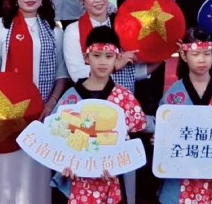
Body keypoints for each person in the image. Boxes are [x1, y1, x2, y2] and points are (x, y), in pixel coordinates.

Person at [0, 0, 69, 204]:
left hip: (41, 116)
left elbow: (61, 74)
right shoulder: (0, 26)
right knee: (5, 175)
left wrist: (50, 104)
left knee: (35, 176)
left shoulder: (54, 30)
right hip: (4, 115)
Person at [54, 26, 147, 204]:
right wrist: (63, 164)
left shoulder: (124, 97)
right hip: (77, 179)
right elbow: (57, 136)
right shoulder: (71, 98)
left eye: (109, 56)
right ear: (86, 58)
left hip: (114, 178)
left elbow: (137, 133)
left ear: (117, 58)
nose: (102, 62)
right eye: (96, 55)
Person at [159, 28, 212, 204]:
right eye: (195, 54)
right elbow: (164, 130)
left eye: (207, 53)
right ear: (184, 55)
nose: (202, 59)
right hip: (182, 172)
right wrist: (160, 137)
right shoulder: (174, 95)